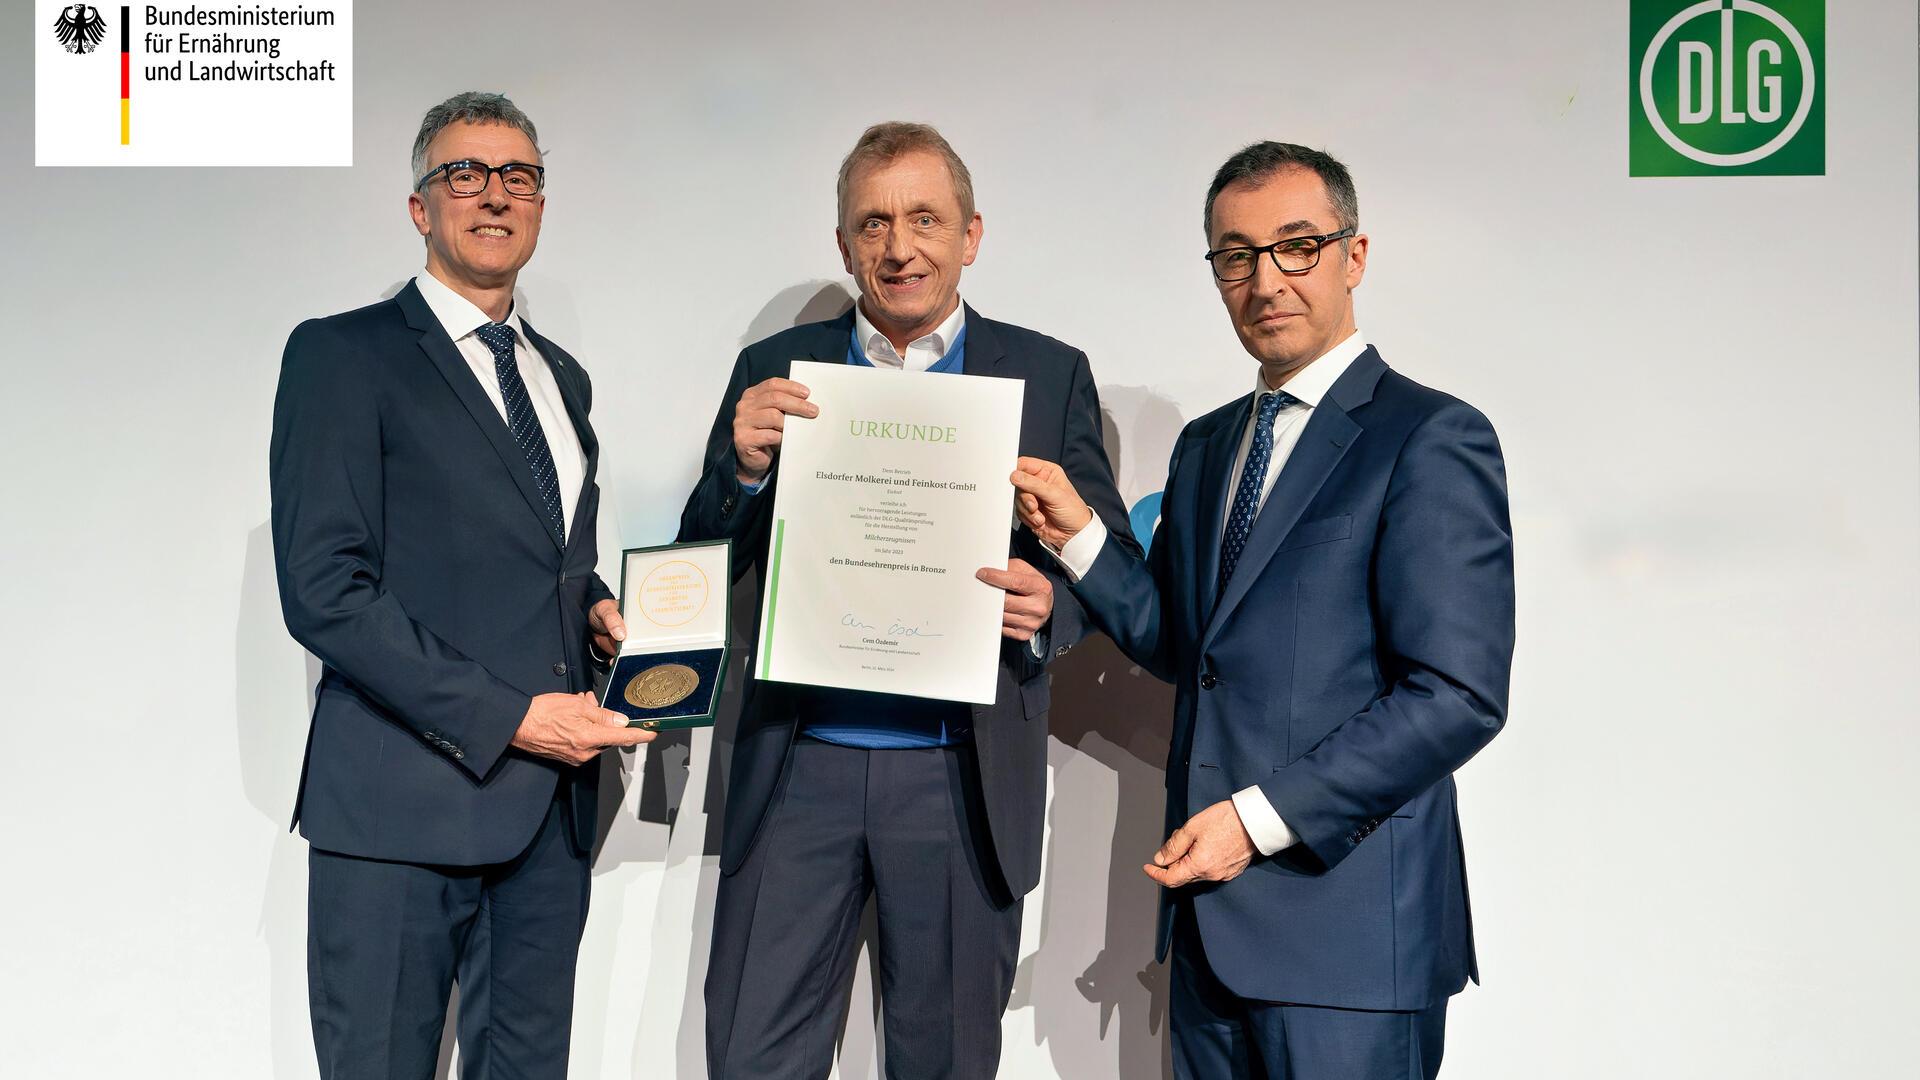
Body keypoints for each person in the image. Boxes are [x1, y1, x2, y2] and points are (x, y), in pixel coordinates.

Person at [1009, 141, 1515, 1079]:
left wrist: (1254, 821)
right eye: (1235, 256)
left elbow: (1456, 694)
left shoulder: (1431, 435)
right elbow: (1182, 640)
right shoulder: (1208, 447)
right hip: (1208, 940)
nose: (1266, 280)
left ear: (1353, 256)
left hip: (1352, 943)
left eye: (1297, 246)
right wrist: (1079, 537)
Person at [680, 121, 1138, 1079]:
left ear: (971, 235)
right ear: (843, 243)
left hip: (959, 780)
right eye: (874, 223)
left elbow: (1109, 563)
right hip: (797, 766)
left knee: (947, 1063)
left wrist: (1050, 608)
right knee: (753, 1058)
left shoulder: (1049, 373)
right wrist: (742, 470)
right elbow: (699, 559)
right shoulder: (777, 365)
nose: (900, 247)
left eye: (925, 219)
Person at [269, 91, 653, 1079]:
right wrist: (512, 717)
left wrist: (598, 610)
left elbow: (541, 557)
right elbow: (325, 589)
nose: (495, 194)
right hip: (399, 808)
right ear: (420, 207)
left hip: (546, 821)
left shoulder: (560, 377)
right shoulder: (343, 354)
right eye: (465, 173)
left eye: (518, 174)